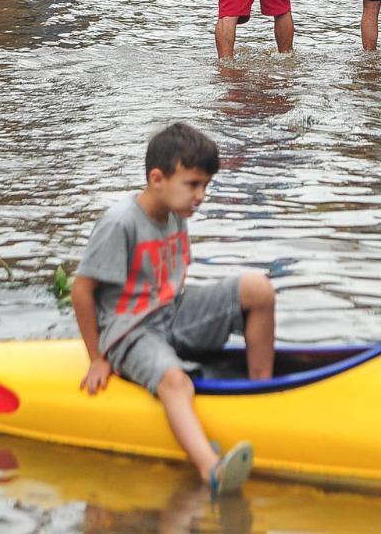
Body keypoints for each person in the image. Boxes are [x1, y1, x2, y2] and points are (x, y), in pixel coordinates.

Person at [71, 122, 277, 495]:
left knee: (258, 290)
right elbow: (82, 291)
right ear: (157, 178)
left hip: (172, 312)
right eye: (193, 185)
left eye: (205, 186)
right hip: (130, 330)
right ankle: (209, 468)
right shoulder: (120, 223)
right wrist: (97, 358)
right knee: (175, 382)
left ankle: (261, 394)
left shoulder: (176, 213)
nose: (201, 196)